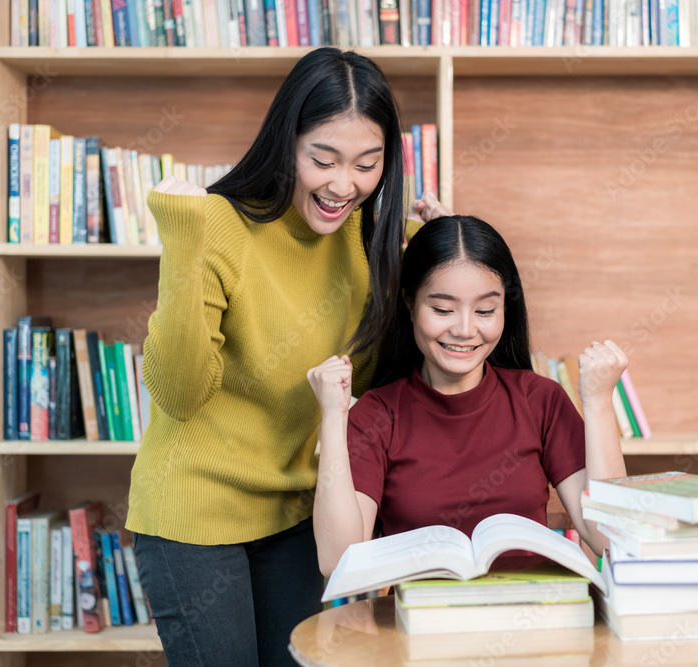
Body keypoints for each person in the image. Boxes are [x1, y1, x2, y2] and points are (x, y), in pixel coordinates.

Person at [125, 47, 448, 667]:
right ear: (286, 144)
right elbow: (180, 392)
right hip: (195, 513)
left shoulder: (372, 241)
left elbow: (397, 391)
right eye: (322, 159)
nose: (342, 185)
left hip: (298, 516)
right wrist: (182, 242)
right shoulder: (217, 224)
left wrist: (437, 260)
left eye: (366, 165)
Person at [307, 215, 628, 577]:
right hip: (419, 625)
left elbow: (608, 540)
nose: (463, 330)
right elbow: (338, 562)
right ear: (410, 304)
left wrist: (599, 404)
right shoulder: (378, 415)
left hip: (531, 620)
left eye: (485, 310)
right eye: (442, 309)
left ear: (506, 308)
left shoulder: (540, 400)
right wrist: (334, 418)